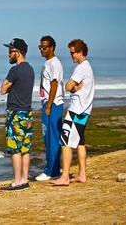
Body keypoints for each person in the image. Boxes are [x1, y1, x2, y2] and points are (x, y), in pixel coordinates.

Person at [50, 39, 94, 186]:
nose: (71, 56)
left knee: (65, 143)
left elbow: (67, 86)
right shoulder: (87, 67)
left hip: (77, 111)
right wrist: (74, 86)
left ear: (80, 52)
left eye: (72, 53)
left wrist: (72, 86)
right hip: (84, 110)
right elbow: (72, 86)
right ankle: (82, 175)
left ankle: (64, 177)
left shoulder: (81, 67)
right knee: (80, 142)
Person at [0, 38, 35, 191]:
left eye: (10, 51)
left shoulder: (15, 70)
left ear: (18, 53)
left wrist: (9, 86)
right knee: (25, 148)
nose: (8, 54)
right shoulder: (31, 69)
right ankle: (25, 179)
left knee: (15, 148)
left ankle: (17, 181)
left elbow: (2, 89)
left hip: (15, 113)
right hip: (27, 112)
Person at [35, 36, 64, 181]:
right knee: (48, 138)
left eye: (44, 47)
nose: (42, 50)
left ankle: (52, 171)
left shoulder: (55, 63)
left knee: (52, 138)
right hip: (47, 103)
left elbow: (54, 84)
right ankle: (52, 168)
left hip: (53, 105)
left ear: (52, 47)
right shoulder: (48, 63)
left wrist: (49, 105)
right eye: (40, 47)